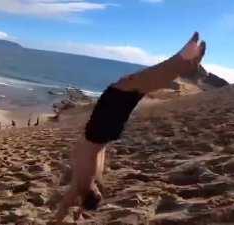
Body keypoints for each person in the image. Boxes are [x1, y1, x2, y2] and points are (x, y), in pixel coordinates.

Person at [55, 32, 206, 222]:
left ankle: (182, 63)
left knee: (134, 85)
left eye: (97, 196)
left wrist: (62, 216)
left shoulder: (84, 182)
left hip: (105, 131)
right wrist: (71, 211)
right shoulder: (85, 182)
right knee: (132, 84)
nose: (100, 193)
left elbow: (66, 203)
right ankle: (181, 63)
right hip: (102, 131)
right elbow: (69, 201)